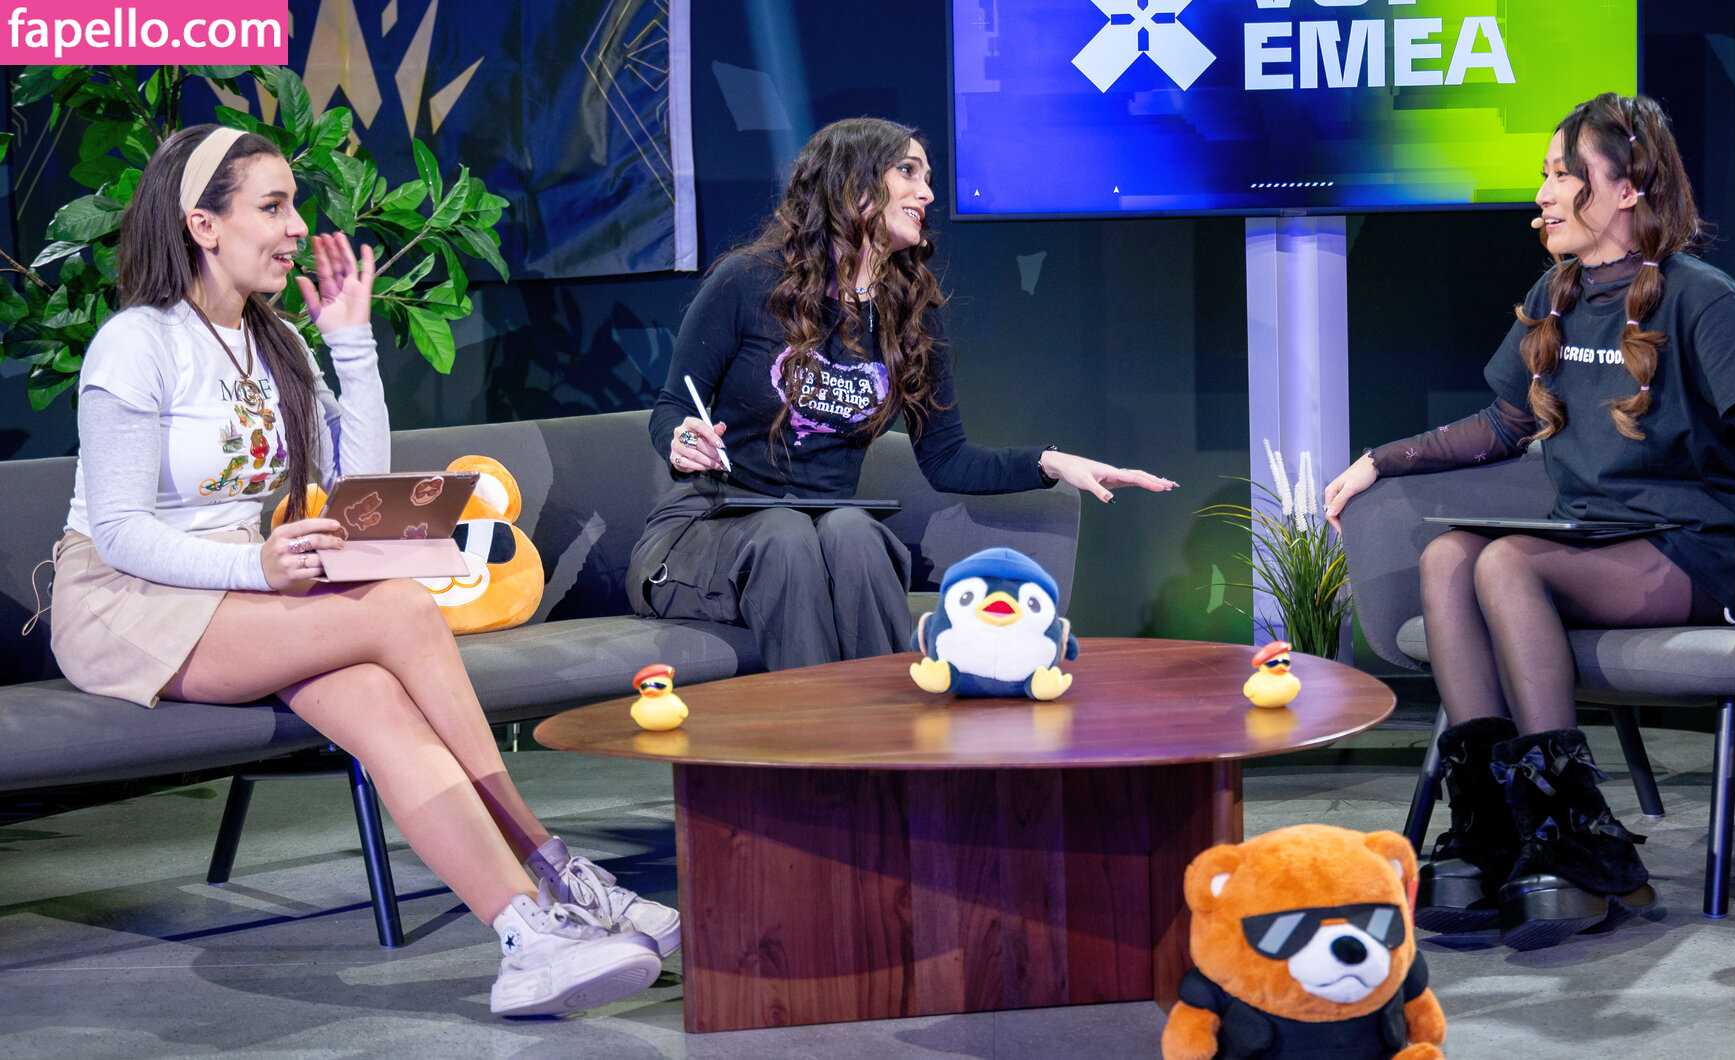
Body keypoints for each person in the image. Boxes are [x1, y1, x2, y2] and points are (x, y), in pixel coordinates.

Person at [48, 124, 679, 1016]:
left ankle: (524, 935)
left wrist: (351, 344)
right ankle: (552, 864)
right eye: (274, 206)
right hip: (128, 603)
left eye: (293, 205)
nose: (297, 227)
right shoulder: (136, 343)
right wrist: (261, 568)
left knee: (378, 702)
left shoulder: (276, 341)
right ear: (203, 225)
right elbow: (117, 532)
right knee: (399, 608)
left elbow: (357, 494)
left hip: (240, 589)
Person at [1321, 93, 1735, 950]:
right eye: (1544, 175)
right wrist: (1380, 460)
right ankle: (1490, 828)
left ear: (1626, 189)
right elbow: (1505, 425)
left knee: (1505, 563)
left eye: (1562, 175)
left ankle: (1576, 839)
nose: (1542, 193)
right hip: (1600, 538)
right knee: (1446, 559)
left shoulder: (1701, 298)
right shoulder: (1558, 292)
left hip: (1709, 545)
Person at [630, 117, 1176, 670]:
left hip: (822, 533)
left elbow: (947, 458)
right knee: (784, 534)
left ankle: (885, 719)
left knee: (854, 532)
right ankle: (810, 723)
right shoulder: (747, 280)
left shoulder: (909, 315)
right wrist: (683, 439)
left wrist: (1049, 462)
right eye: (908, 172)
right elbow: (674, 405)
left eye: (927, 178)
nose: (927, 193)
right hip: (712, 526)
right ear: (854, 183)